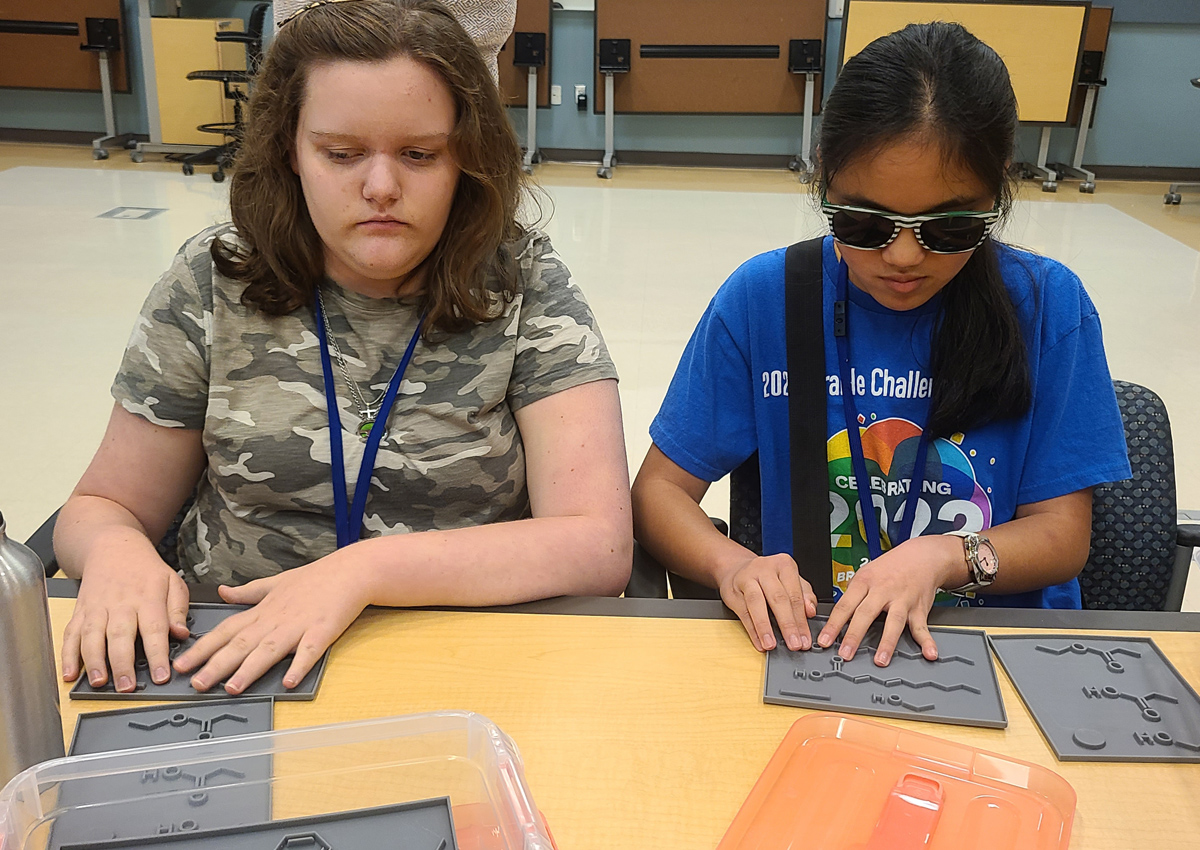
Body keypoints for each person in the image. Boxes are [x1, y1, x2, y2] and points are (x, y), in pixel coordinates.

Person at [57, 0, 631, 697]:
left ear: (467, 159)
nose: (381, 187)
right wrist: (117, 552)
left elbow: (597, 543)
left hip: (460, 661)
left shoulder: (523, 283)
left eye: (420, 155)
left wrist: (361, 571)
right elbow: (103, 505)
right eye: (341, 153)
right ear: (290, 153)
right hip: (225, 664)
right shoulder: (216, 279)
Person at [631, 22, 1131, 667]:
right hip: (818, 644)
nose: (902, 257)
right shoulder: (768, 300)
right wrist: (731, 565)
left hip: (999, 648)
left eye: (949, 227)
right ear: (822, 182)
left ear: (997, 191)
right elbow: (658, 493)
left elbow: (1063, 535)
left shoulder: (1045, 304)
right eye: (865, 223)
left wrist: (944, 557)